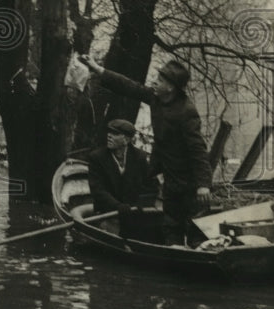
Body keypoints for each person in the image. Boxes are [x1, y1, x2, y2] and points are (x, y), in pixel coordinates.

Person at [81, 54, 212, 245]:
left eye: (159, 80)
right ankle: (172, 254)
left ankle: (196, 255)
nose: (154, 82)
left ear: (171, 87)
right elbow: (129, 86)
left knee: (194, 226)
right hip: (169, 173)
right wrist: (98, 69)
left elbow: (198, 150)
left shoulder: (186, 112)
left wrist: (203, 185)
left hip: (189, 178)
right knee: (170, 224)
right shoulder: (156, 97)